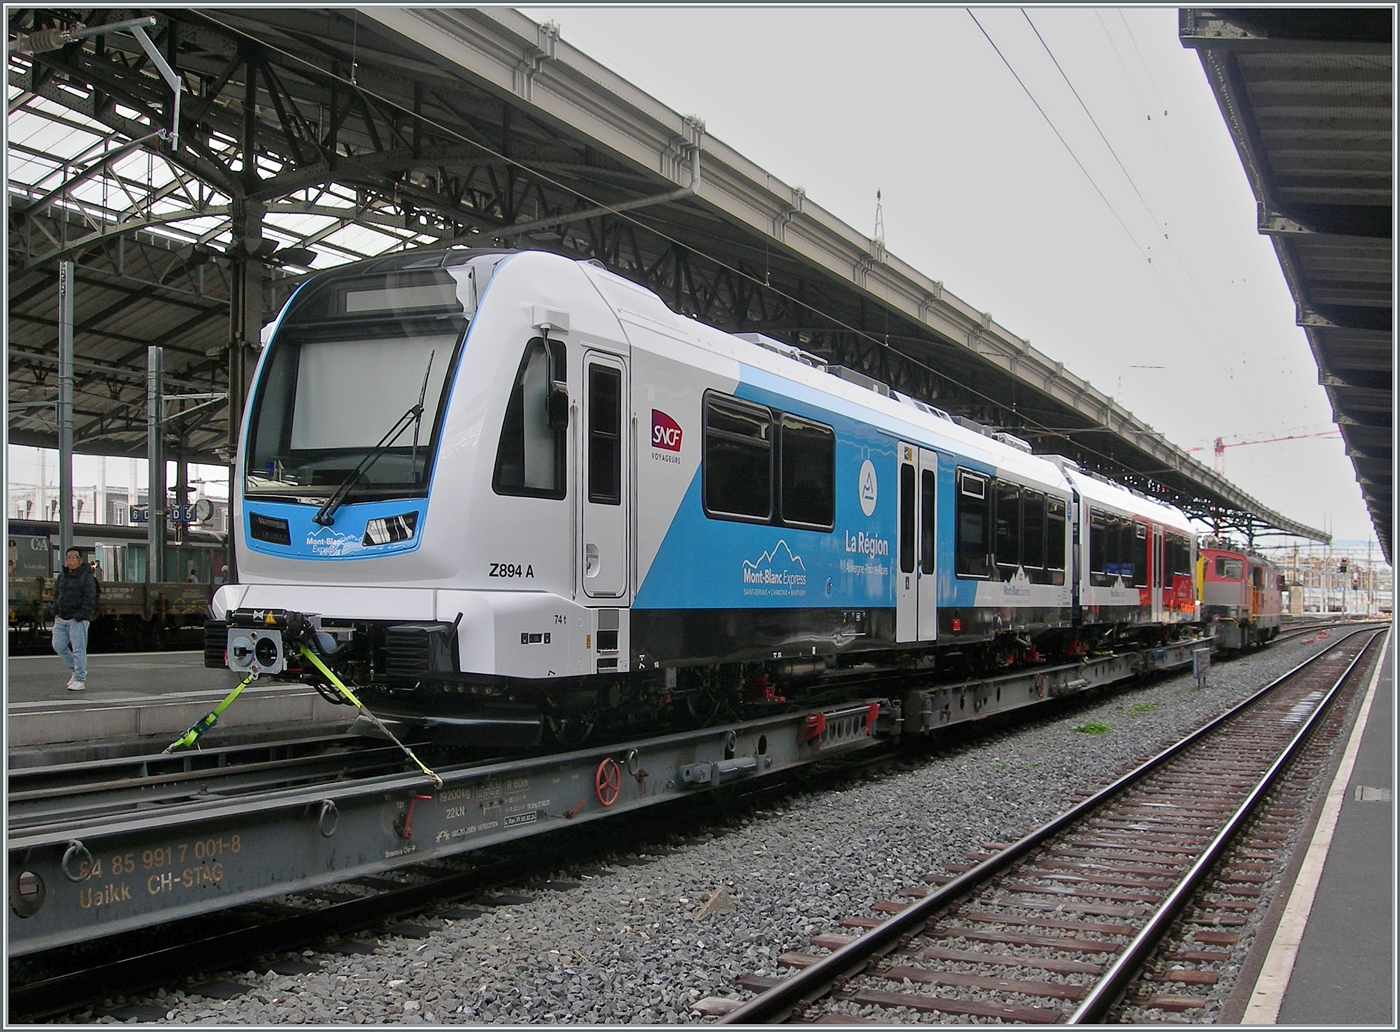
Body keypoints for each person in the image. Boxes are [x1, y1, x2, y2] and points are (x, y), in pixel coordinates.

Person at [52, 546, 97, 691]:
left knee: (78, 649)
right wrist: (56, 611)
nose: (70, 560)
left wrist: (80, 615)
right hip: (62, 618)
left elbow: (90, 597)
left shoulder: (86, 577)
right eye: (68, 557)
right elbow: (57, 594)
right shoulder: (62, 576)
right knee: (58, 645)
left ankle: (79, 679)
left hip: (77, 619)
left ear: (80, 560)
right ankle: (76, 670)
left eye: (73, 557)